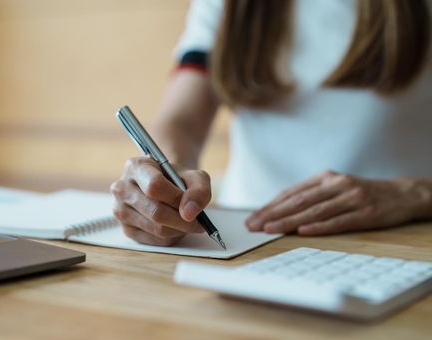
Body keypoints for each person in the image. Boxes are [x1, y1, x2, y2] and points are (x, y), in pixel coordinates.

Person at [110, 0, 432, 246]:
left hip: (400, 242)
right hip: (248, 238)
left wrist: (414, 194)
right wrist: (165, 185)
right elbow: (182, 121)